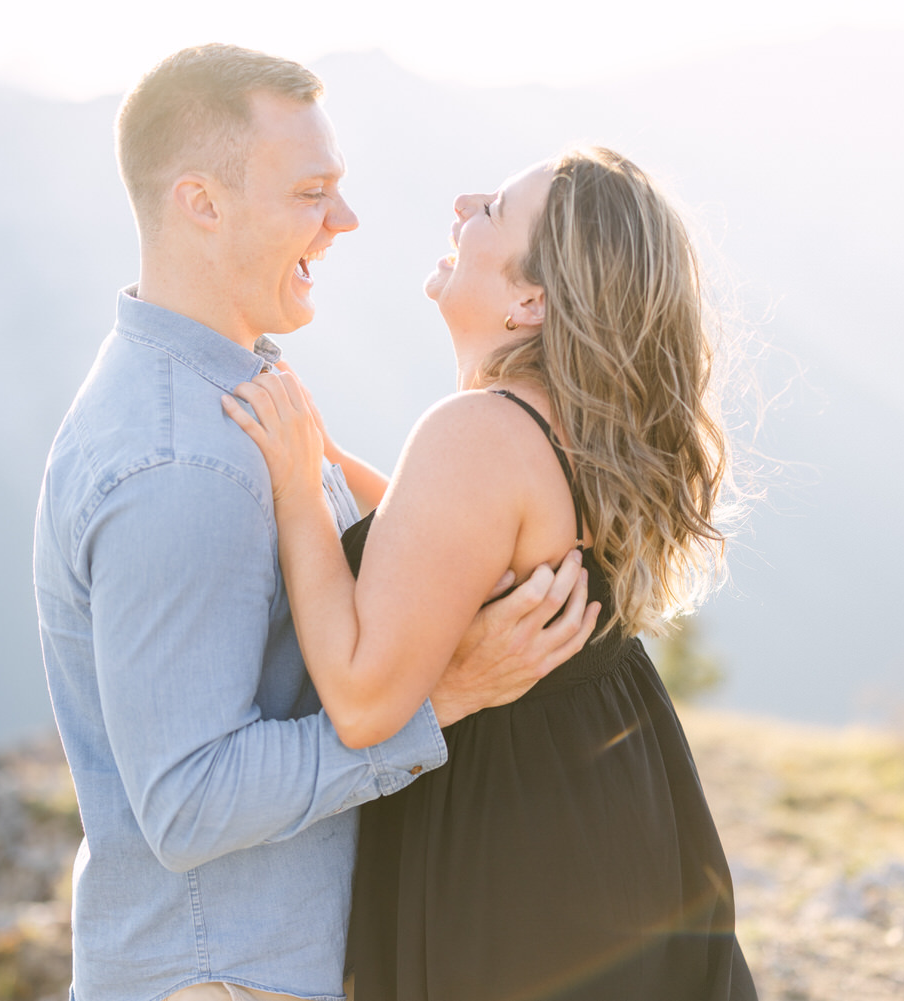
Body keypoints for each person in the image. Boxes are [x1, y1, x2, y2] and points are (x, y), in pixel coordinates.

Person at [32, 44, 599, 1001]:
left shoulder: (239, 390)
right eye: (311, 193)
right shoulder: (183, 464)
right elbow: (190, 800)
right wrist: (443, 696)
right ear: (201, 203)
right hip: (222, 980)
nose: (345, 220)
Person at [225, 147, 758, 1000]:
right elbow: (443, 540)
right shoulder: (574, 421)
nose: (464, 201)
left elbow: (365, 701)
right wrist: (322, 453)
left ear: (529, 300)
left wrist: (296, 490)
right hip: (614, 819)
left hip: (515, 858)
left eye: (495, 210)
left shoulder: (477, 430)